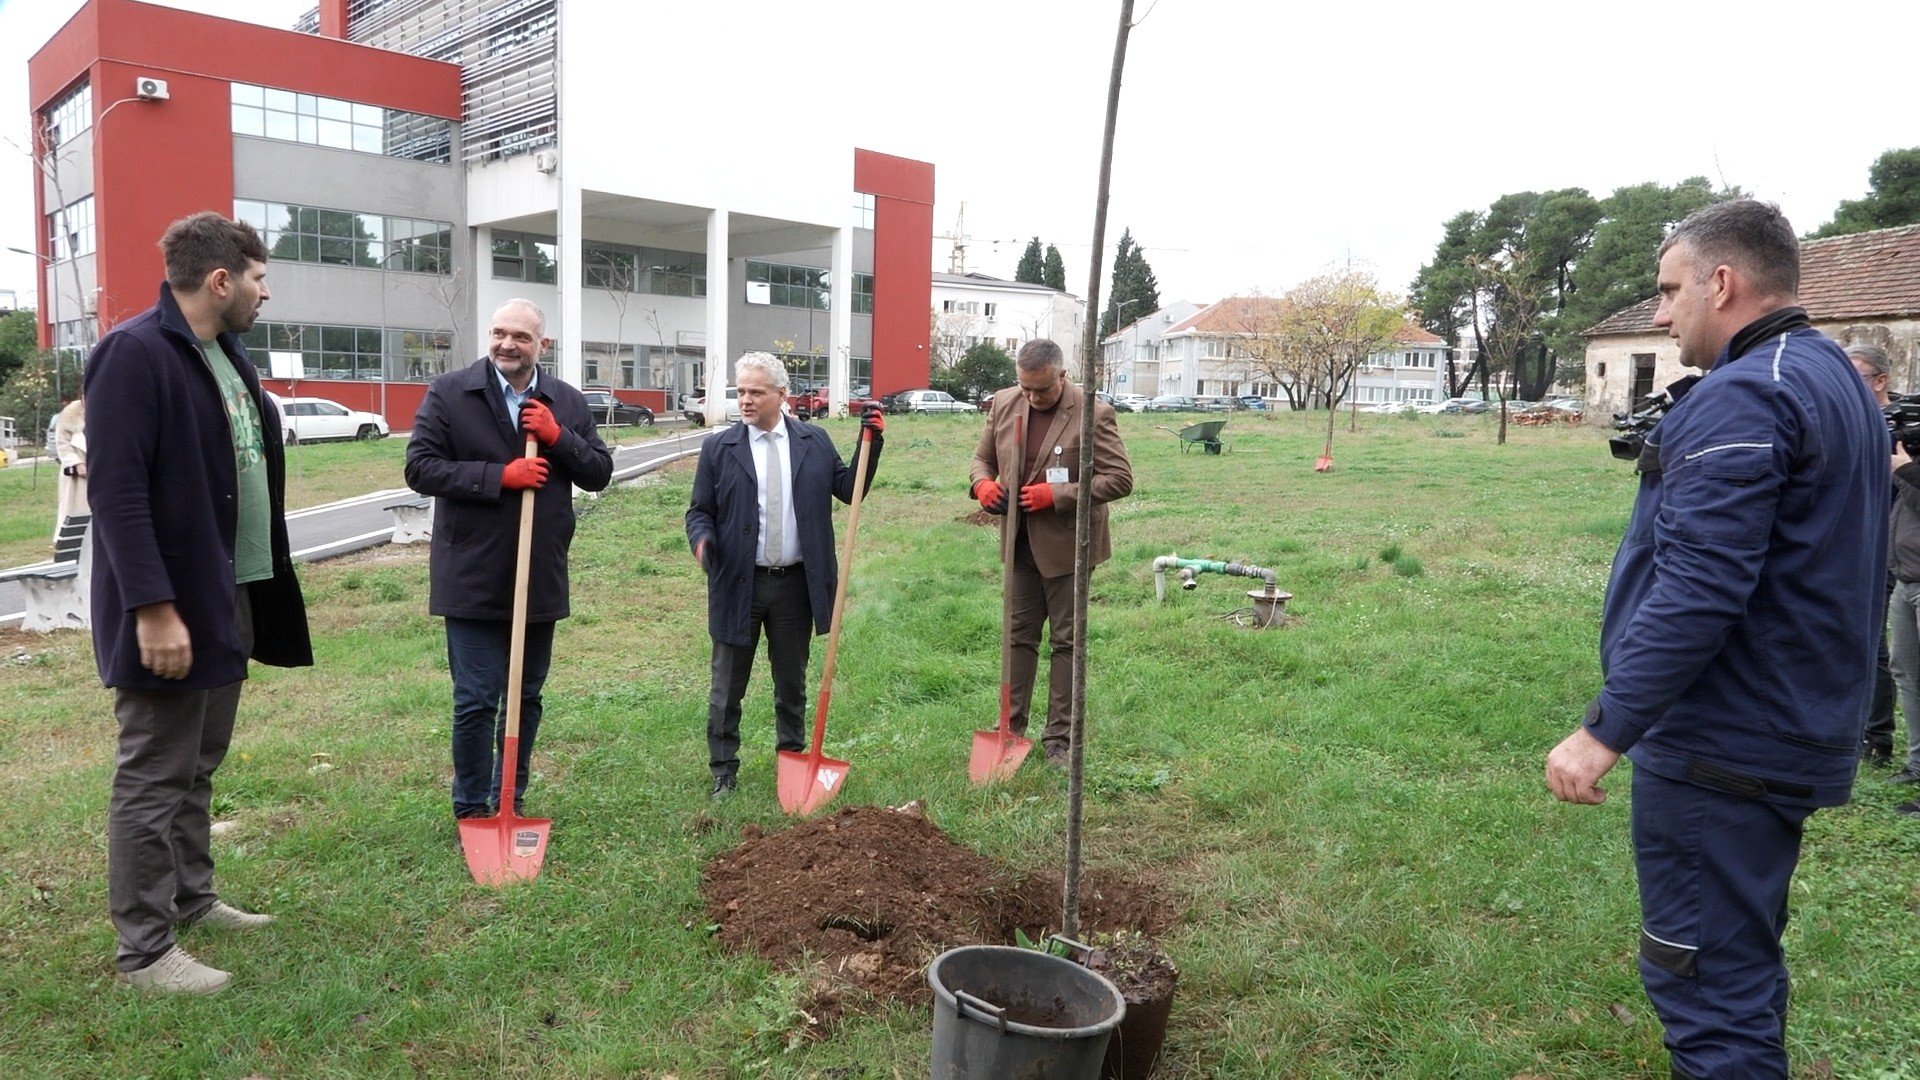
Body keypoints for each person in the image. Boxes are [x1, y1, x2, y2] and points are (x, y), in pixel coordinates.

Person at [1545, 200, 1887, 1078]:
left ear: (1722, 282)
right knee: (1737, 964)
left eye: (1668, 291)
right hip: (1787, 725)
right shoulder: (1832, 375)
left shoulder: (1749, 392)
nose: (1660, 314)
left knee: (1705, 986)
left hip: (1724, 744)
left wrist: (1605, 728)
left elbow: (1701, 586)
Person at [85, 211, 313, 994]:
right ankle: (144, 951)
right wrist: (152, 607)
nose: (264, 292)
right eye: (257, 278)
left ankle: (191, 897)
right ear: (221, 279)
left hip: (228, 596)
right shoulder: (134, 354)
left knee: (198, 763)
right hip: (171, 608)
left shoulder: (226, 354)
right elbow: (115, 492)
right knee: (154, 771)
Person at [404, 299, 613, 822]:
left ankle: (509, 798)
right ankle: (473, 807)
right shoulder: (451, 393)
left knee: (526, 695)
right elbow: (421, 468)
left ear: (543, 344)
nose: (506, 344)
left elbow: (599, 472)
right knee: (476, 698)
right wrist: (500, 477)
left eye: (520, 336)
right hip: (471, 574)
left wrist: (557, 437)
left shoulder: (563, 400)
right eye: (499, 333)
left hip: (538, 573)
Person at [685, 352, 884, 798]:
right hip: (739, 583)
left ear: (781, 394)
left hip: (796, 584)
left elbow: (850, 490)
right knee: (727, 685)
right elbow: (700, 511)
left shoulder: (813, 442)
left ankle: (791, 759)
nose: (746, 401)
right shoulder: (720, 449)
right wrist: (702, 540)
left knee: (790, 682)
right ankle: (723, 770)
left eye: (756, 392)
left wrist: (870, 444)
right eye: (741, 392)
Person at [967, 339, 1133, 768]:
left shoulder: (1093, 413)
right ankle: (1010, 728)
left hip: (1069, 547)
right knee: (1018, 638)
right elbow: (981, 461)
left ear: (1063, 375)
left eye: (1041, 390)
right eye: (1025, 387)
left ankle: (1059, 739)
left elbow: (1119, 479)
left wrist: (1056, 495)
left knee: (1066, 641)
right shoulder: (1004, 403)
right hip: (1019, 543)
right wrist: (982, 486)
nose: (1032, 397)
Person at [1848, 343, 1902, 770]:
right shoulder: (1850, 419)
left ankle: (1877, 737)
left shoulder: (1906, 427)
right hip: (1848, 542)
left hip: (1890, 549)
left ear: (1880, 381)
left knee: (1876, 644)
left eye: (1857, 377)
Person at [53, 395, 88, 536]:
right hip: (77, 477)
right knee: (76, 510)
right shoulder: (71, 412)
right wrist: (77, 463)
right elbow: (62, 443)